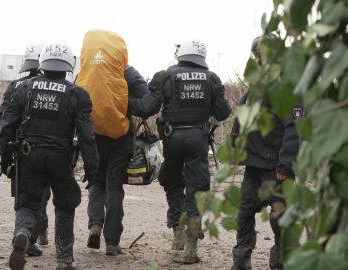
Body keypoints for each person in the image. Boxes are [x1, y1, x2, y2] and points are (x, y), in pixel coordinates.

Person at [128, 39, 232, 264]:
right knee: (197, 190)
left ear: (180, 54)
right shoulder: (211, 78)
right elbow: (223, 113)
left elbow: (147, 107)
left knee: (171, 180)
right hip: (198, 140)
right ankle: (190, 249)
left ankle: (177, 234)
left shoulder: (166, 76)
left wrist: (123, 101)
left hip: (173, 139)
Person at [0, 42, 98, 270]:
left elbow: (6, 127)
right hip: (60, 158)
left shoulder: (23, 89)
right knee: (65, 203)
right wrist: (92, 169)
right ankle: (64, 259)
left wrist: (6, 161)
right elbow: (87, 137)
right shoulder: (77, 94)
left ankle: (23, 232)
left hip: (28, 155)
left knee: (27, 200)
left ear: (42, 62)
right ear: (68, 65)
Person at [230, 34, 303, 270]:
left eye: (263, 57)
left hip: (277, 168)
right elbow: (240, 121)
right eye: (257, 57)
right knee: (244, 213)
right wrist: (235, 150)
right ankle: (241, 262)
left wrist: (286, 165)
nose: (259, 61)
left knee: (280, 218)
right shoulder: (256, 88)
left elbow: (295, 129)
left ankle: (281, 261)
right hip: (253, 166)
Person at [76, 29, 150, 256]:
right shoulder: (127, 72)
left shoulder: (83, 74)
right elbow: (146, 105)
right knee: (114, 186)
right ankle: (112, 241)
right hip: (120, 139)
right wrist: (126, 105)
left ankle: (95, 225)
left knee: (96, 183)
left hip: (92, 138)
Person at [0, 43, 50, 255]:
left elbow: (3, 118)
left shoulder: (14, 86)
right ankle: (32, 236)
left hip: (18, 151)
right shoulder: (51, 85)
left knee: (23, 195)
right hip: (46, 150)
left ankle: (31, 233)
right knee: (41, 195)